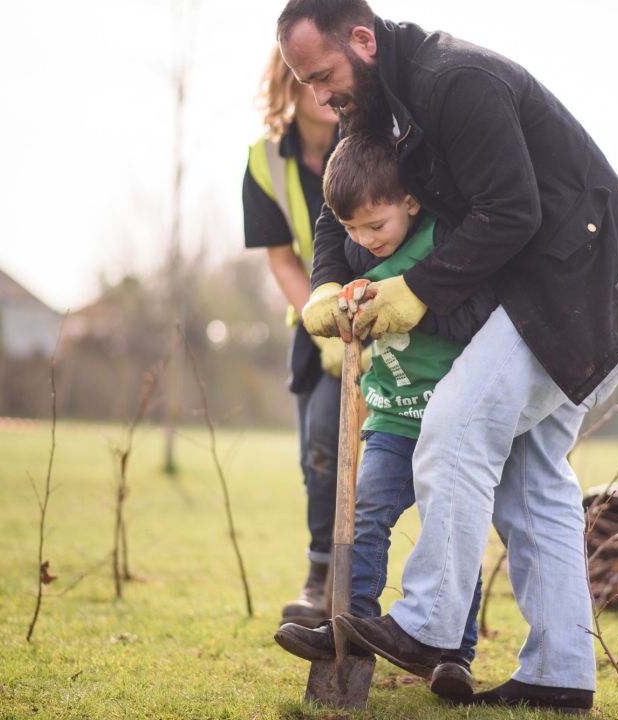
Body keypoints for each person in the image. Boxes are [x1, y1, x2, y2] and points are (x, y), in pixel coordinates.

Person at [279, 0, 618, 712]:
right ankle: (560, 674)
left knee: (454, 426)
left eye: (322, 75)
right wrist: (327, 287)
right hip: (554, 290)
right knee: (531, 481)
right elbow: (343, 202)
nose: (318, 96)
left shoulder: (456, 81)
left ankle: (428, 628)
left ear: (362, 40)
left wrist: (413, 292)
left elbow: (511, 211)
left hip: (584, 288)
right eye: (306, 83)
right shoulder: (373, 101)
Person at [273, 131, 495, 700]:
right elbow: (330, 261)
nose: (365, 241)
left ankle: (455, 655)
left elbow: (472, 319)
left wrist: (409, 311)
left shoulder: (442, 245)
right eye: (351, 229)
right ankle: (352, 632)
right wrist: (332, 300)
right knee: (364, 516)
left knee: (450, 537)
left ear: (411, 203)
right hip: (392, 420)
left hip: (449, 423)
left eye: (377, 226)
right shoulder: (353, 253)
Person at [242, 44, 342, 628]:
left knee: (339, 447)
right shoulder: (264, 161)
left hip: (381, 314)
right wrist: (319, 319)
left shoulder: (367, 138)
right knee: (316, 459)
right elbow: (281, 259)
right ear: (289, 82)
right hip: (313, 325)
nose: (325, 91)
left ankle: (333, 580)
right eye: (313, 78)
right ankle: (321, 578)